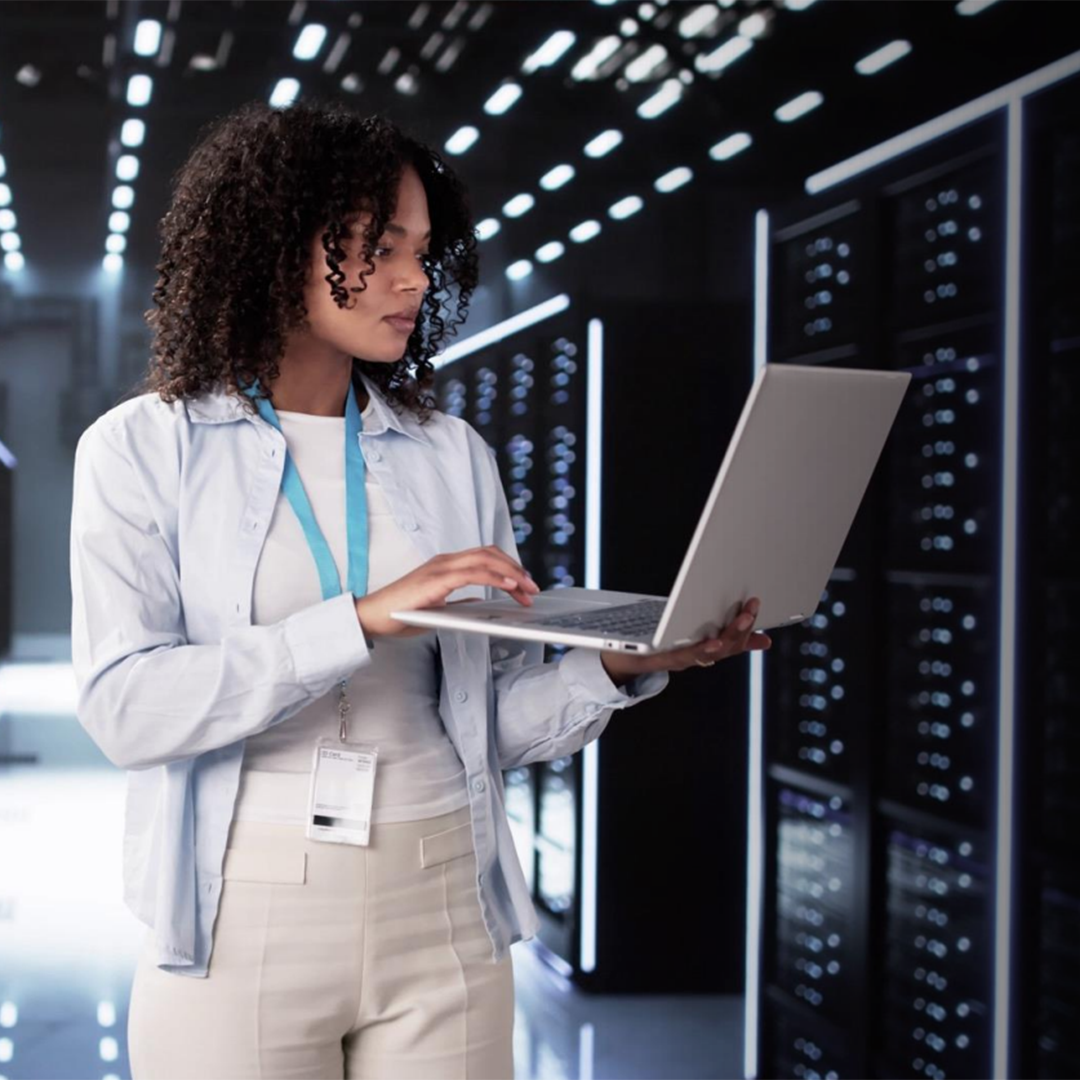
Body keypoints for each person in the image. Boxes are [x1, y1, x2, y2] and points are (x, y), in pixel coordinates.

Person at [68, 99, 772, 1080]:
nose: (413, 279)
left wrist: (618, 664)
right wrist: (356, 621)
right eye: (378, 246)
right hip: (243, 906)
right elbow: (125, 710)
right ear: (274, 244)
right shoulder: (142, 450)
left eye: (423, 250)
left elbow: (490, 721)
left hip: (444, 899)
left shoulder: (450, 456)